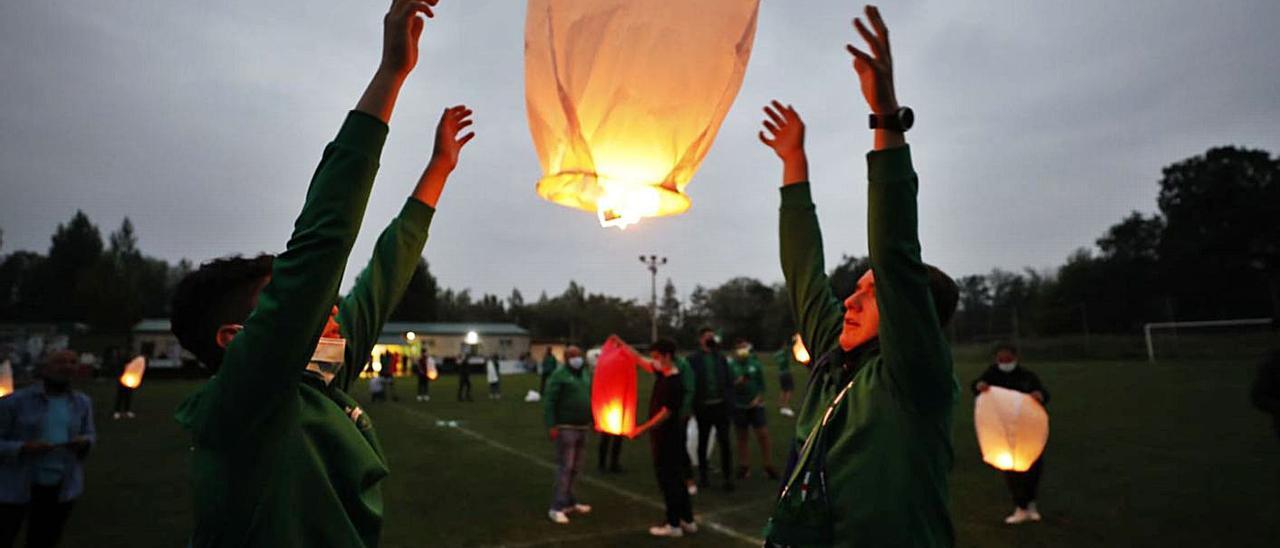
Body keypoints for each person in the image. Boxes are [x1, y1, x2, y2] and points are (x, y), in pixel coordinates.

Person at [168, 2, 476, 545]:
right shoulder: (244, 403)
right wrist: (390, 75)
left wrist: (438, 169)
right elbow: (321, 243)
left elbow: (384, 274)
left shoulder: (319, 384)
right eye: (286, 300)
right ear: (233, 340)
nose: (328, 309)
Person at [758, 6, 961, 545]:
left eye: (871, 295)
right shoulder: (834, 363)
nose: (850, 300)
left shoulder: (914, 378)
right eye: (858, 288)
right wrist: (793, 163)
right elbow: (804, 273)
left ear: (910, 316)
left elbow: (894, 251)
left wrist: (886, 117)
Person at [0, 350, 96, 548]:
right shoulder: (15, 402)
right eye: (60, 362)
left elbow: (90, 433)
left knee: (45, 540)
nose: (67, 366)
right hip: (16, 485)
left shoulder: (82, 403)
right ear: (44, 368)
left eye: (72, 362)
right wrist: (23, 447)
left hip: (61, 486)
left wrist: (84, 441)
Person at [627, 338, 697, 538]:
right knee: (678, 480)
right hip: (668, 437)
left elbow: (666, 413)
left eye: (657, 357)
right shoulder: (663, 373)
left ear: (667, 356)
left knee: (669, 481)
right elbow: (641, 361)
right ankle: (688, 520)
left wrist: (642, 429)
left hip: (668, 438)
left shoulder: (674, 381)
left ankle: (673, 524)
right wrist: (622, 345)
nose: (654, 361)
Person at [973, 343, 1050, 524]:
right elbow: (976, 386)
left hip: (1027, 430)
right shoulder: (992, 374)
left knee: (1033, 466)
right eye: (1001, 360)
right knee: (1011, 469)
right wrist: (980, 386)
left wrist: (1040, 396)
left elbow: (1043, 393)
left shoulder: (1027, 377)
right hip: (1003, 432)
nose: (1004, 363)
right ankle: (1020, 506)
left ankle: (1031, 503)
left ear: (1015, 358)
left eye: (1008, 359)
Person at [543, 346, 592, 524]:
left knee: (576, 467)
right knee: (566, 467)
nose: (576, 358)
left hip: (583, 426)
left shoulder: (585, 374)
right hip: (566, 427)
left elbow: (590, 396)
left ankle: (570, 501)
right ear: (565, 358)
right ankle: (556, 507)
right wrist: (551, 425)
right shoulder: (559, 375)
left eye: (578, 355)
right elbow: (549, 401)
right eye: (572, 356)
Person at [688, 328, 734, 491]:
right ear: (700, 340)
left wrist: (729, 400)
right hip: (703, 407)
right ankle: (703, 476)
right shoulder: (693, 359)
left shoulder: (720, 358)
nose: (710, 340)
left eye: (711, 337)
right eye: (707, 337)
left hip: (720, 406)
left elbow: (728, 380)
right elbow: (690, 382)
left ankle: (728, 477)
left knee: (725, 442)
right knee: (703, 441)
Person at [728, 340, 779, 481]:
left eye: (744, 348)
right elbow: (727, 386)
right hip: (739, 406)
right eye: (739, 348)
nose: (742, 351)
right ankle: (744, 466)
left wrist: (758, 398)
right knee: (742, 436)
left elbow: (761, 384)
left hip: (755, 405)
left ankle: (768, 465)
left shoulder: (755, 364)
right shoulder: (731, 366)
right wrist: (736, 383)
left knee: (763, 434)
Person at [770, 335, 799, 418]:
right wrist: (795, 340)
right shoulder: (785, 352)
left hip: (780, 373)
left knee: (783, 389)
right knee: (789, 389)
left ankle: (780, 403)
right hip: (786, 373)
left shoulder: (777, 354)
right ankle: (785, 406)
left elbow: (775, 357)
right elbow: (791, 348)